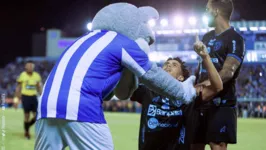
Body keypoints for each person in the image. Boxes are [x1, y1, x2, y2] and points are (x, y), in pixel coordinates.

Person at [34, 3, 197, 150]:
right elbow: (152, 74)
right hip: (80, 106)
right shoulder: (123, 42)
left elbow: (108, 89)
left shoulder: (82, 39)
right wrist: (183, 91)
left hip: (46, 105)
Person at [129, 34, 223, 150]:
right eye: (166, 64)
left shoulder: (187, 93)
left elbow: (217, 87)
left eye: (174, 65)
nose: (168, 66)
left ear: (180, 78)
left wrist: (205, 57)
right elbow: (125, 86)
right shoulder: (147, 90)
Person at [190, 0, 245, 150]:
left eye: (207, 9)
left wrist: (201, 87)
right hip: (200, 102)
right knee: (193, 145)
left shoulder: (235, 38)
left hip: (221, 104)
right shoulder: (207, 37)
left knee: (217, 146)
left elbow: (228, 72)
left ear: (215, 11)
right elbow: (201, 68)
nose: (205, 12)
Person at [15, 60, 43, 139]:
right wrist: (16, 99)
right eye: (29, 66)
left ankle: (27, 126)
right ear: (26, 67)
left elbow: (39, 87)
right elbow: (18, 87)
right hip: (25, 96)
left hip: (34, 97)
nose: (30, 67)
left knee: (36, 116)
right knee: (26, 115)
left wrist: (42, 96)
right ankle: (27, 132)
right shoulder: (22, 75)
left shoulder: (37, 76)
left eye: (32, 66)